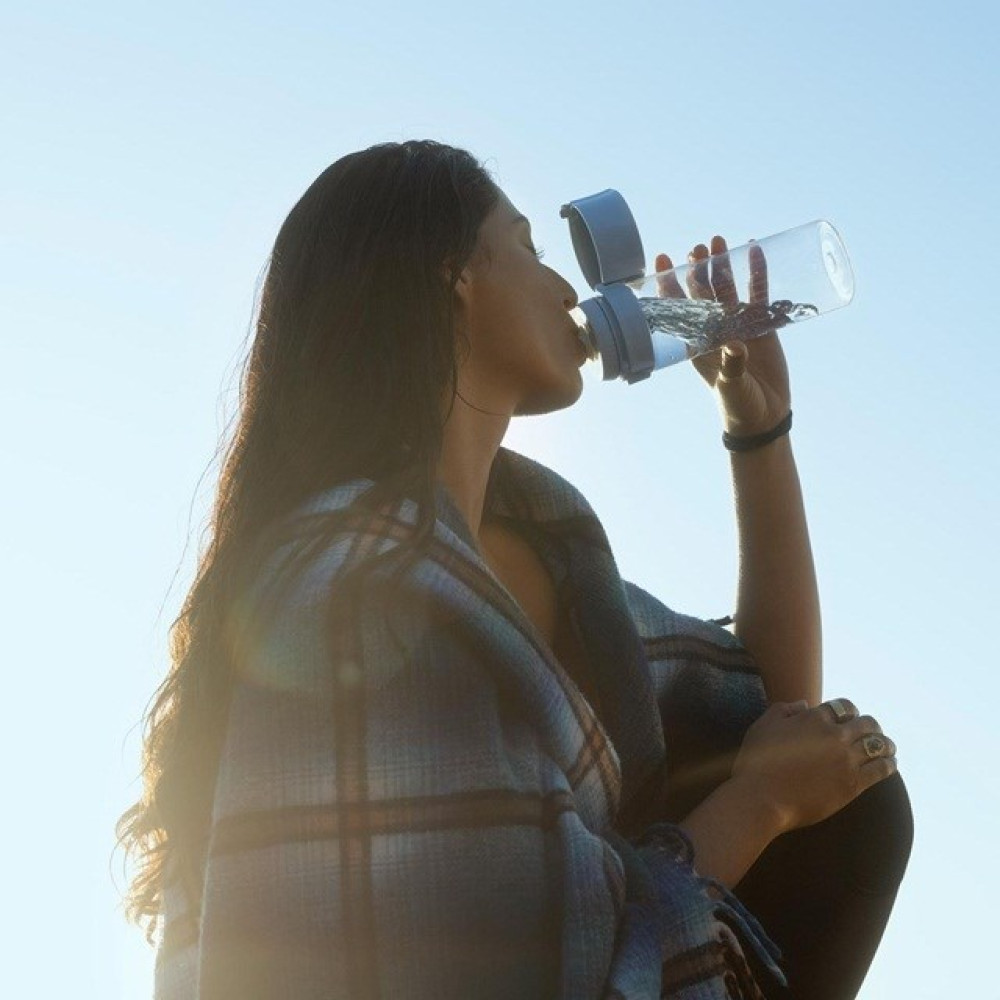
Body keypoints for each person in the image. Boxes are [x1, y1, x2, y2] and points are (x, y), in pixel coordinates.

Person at [116, 140, 914, 1000]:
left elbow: (779, 719)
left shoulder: (547, 544)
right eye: (531, 250)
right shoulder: (363, 589)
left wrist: (758, 428)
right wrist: (754, 807)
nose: (570, 291)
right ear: (450, 275)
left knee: (860, 808)